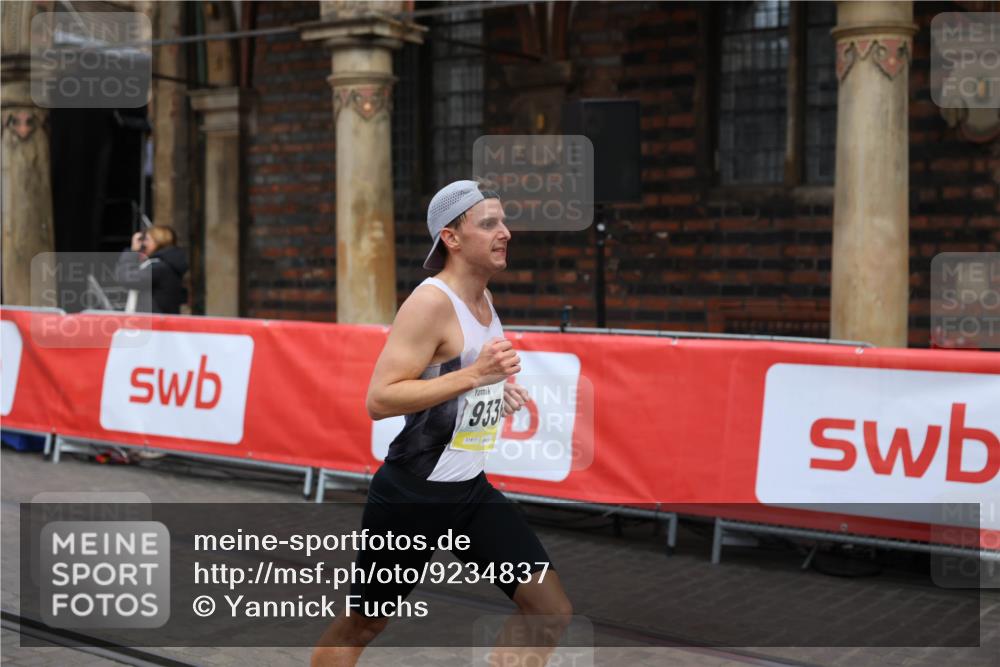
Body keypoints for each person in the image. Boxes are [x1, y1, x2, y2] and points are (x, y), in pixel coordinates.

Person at [312, 181, 573, 666]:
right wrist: (476, 375)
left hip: (468, 492)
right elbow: (380, 399)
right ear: (451, 238)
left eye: (504, 221)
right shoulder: (430, 302)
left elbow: (455, 382)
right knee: (363, 624)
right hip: (412, 496)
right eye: (489, 223)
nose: (505, 233)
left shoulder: (484, 298)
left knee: (548, 610)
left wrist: (493, 391)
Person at [116, 225, 188, 314]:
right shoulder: (167, 264)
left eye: (146, 240)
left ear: (158, 242)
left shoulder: (159, 268)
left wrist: (132, 251)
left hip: (153, 323)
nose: (143, 244)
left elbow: (127, 278)